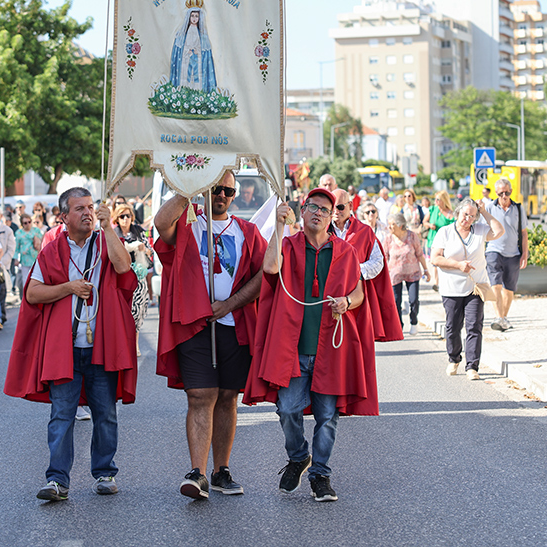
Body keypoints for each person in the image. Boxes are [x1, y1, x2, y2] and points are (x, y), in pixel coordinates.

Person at [4, 187, 138, 502]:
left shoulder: (105, 242)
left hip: (100, 347)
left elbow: (123, 268)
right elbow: (33, 293)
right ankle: (57, 480)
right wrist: (67, 288)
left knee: (105, 413)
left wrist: (108, 227)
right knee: (61, 414)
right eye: (80, 209)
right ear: (63, 216)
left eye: (90, 207)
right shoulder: (51, 252)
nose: (87, 213)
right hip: (65, 349)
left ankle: (105, 472)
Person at [246, 188, 373, 503]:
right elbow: (271, 268)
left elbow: (359, 294)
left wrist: (346, 301)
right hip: (295, 350)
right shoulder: (287, 246)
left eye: (325, 209)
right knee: (287, 408)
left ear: (333, 217)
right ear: (301, 212)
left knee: (327, 416)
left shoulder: (345, 251)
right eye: (312, 207)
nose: (318, 212)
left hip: (330, 349)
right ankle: (299, 455)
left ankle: (320, 475)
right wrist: (277, 225)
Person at [153, 172, 266, 499]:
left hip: (233, 325)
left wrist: (230, 304)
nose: (221, 195)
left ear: (234, 195)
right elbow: (161, 224)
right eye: (215, 188)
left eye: (228, 190)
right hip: (195, 325)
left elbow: (264, 273)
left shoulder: (248, 232)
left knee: (228, 397)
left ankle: (221, 470)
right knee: (200, 395)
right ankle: (197, 472)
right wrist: (191, 188)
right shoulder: (189, 223)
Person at [430, 198, 504, 381]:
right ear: (458, 213)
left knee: (474, 326)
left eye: (472, 216)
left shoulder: (479, 230)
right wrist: (457, 265)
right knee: (453, 328)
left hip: (475, 287)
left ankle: (472, 366)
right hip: (451, 288)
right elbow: (435, 258)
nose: (467, 219)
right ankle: (454, 359)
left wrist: (484, 212)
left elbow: (499, 231)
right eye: (465, 215)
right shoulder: (445, 232)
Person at [331, 189, 402, 343]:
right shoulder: (322, 230)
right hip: (329, 299)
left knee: (356, 347)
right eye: (332, 207)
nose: (336, 211)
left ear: (350, 206)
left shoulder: (364, 232)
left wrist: (355, 271)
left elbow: (378, 262)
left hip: (356, 297)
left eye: (340, 207)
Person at [484, 178, 528, 332]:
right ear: (496, 193)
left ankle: (503, 317)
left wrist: (524, 254)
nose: (504, 195)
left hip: (513, 254)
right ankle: (498, 317)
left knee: (509, 289)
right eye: (501, 192)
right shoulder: (489, 207)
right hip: (493, 251)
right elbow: (482, 230)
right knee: (495, 284)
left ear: (511, 191)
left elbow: (523, 233)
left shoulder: (518, 208)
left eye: (507, 192)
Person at [385, 212, 430, 335]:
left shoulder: (412, 236)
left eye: (392, 225)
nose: (389, 227)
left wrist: (426, 270)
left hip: (413, 273)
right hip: (395, 274)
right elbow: (384, 257)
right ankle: (399, 325)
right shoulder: (388, 238)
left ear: (400, 225)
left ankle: (414, 321)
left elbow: (420, 254)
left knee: (413, 300)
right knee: (395, 301)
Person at [113, 204, 152, 333]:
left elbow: (150, 251)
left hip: (139, 277)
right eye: (122, 216)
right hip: (121, 277)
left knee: (138, 311)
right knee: (123, 312)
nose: (125, 219)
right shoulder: (113, 234)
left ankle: (135, 344)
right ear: (117, 219)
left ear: (132, 217)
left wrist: (143, 249)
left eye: (128, 216)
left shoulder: (139, 231)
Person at [170, 0, 217, 93]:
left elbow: (203, 48)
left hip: (197, 59)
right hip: (186, 58)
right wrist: (188, 51)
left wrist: (197, 52)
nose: (194, 18)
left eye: (196, 16)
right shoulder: (183, 33)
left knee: (197, 78)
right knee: (185, 77)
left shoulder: (202, 35)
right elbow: (183, 46)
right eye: (192, 16)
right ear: (189, 17)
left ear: (199, 17)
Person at [424, 190, 455, 292]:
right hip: (433, 240)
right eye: (435, 199)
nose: (436, 201)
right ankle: (436, 283)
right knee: (435, 263)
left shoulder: (451, 213)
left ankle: (445, 282)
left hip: (446, 242)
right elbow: (424, 221)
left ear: (444, 200)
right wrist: (429, 225)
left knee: (445, 262)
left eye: (438, 199)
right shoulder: (433, 209)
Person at [14, 213, 43, 298]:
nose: (28, 224)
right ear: (22, 224)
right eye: (25, 223)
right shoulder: (19, 233)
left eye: (29, 222)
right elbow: (17, 247)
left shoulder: (36, 230)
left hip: (36, 258)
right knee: (25, 281)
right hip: (25, 259)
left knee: (37, 280)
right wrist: (16, 258)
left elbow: (42, 242)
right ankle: (26, 298)